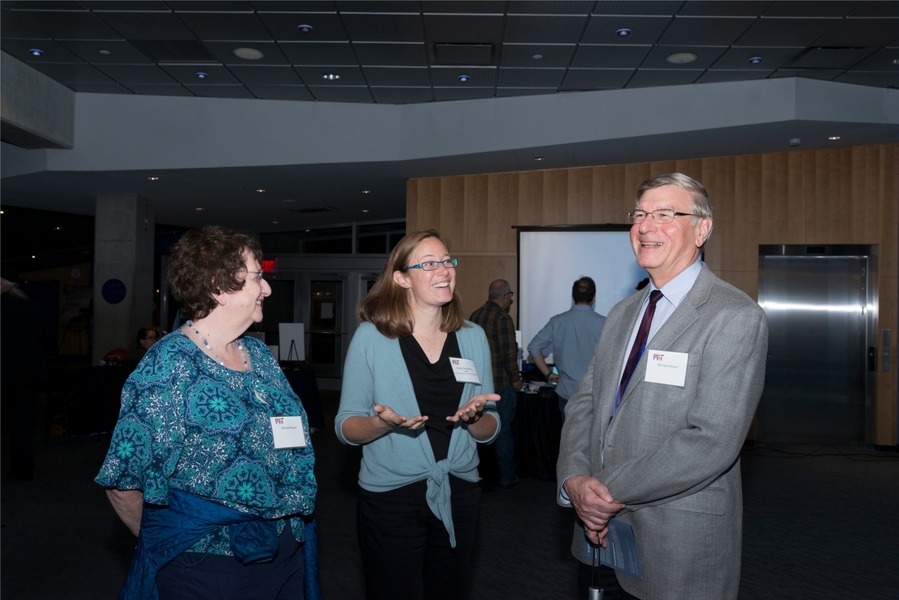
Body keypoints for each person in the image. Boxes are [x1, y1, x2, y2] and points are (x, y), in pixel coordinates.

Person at [557, 173, 768, 600]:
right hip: (600, 535)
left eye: (665, 214)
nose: (645, 226)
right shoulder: (622, 313)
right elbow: (585, 403)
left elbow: (711, 440)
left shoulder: (734, 316)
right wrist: (575, 479)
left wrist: (605, 492)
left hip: (676, 542)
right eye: (639, 215)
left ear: (702, 229)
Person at [96, 225, 318, 600]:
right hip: (208, 564)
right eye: (257, 277)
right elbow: (123, 482)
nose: (266, 289)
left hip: (284, 546)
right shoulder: (169, 365)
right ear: (218, 287)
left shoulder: (259, 355)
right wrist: (168, 542)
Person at [335, 229, 500, 600]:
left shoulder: (472, 336)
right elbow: (346, 426)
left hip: (459, 492)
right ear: (402, 278)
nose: (443, 270)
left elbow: (490, 427)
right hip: (392, 498)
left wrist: (476, 419)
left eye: (446, 261)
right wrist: (380, 424)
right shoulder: (372, 337)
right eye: (428, 264)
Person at [468, 279, 522, 488]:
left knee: (478, 428)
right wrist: (516, 378)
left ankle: (476, 472)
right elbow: (509, 354)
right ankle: (507, 475)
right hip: (500, 383)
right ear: (506, 297)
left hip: (477, 384)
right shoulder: (502, 318)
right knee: (503, 430)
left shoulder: (474, 315)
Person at [527, 276, 606, 415]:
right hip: (594, 393)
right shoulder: (604, 323)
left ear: (572, 296)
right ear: (593, 298)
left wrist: (548, 374)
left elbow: (534, 347)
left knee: (568, 429)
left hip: (566, 391)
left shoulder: (557, 321)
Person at [1, 269, 47, 481]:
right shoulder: (31, 305)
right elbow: (38, 339)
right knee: (21, 425)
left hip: (3, 373)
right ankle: (23, 468)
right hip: (25, 375)